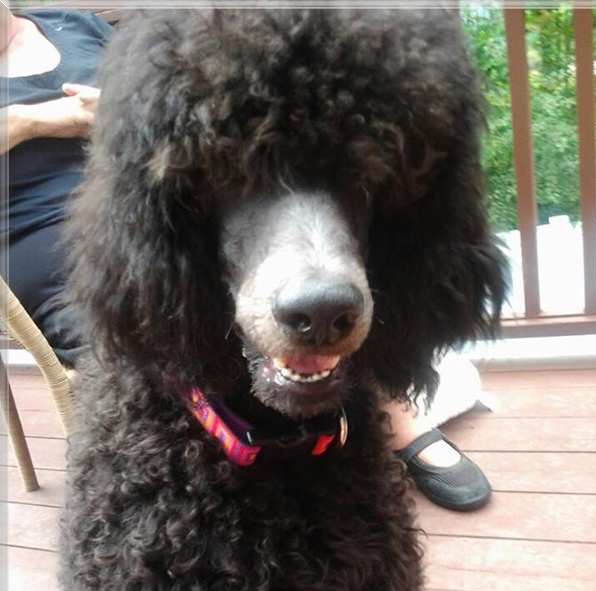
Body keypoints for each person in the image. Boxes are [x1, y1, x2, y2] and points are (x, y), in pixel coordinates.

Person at [0, 6, 490, 511]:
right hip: (74, 231)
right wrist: (37, 119)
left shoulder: (70, 23)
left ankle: (372, 395)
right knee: (153, 319)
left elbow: (164, 101)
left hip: (171, 184)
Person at [0, 6, 112, 367]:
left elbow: (168, 91)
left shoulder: (73, 23)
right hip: (53, 245)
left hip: (156, 209)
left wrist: (120, 112)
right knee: (132, 351)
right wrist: (30, 121)